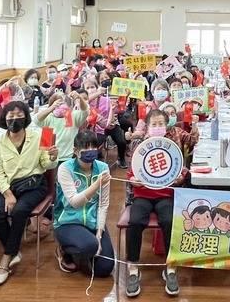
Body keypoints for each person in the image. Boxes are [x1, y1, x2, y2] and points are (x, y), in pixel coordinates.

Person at [0, 101, 58, 285]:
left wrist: (52, 156)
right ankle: (14, 250)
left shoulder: (41, 136)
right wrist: (7, 194)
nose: (14, 119)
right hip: (9, 187)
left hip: (34, 185)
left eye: (18, 115)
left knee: (19, 211)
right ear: (4, 119)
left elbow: (47, 165)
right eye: (10, 116)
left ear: (26, 117)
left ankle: (5, 260)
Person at [126, 108, 185, 298]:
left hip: (164, 194)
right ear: (147, 127)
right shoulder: (140, 147)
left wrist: (179, 178)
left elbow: (180, 170)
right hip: (142, 195)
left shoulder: (170, 146)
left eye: (161, 124)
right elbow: (130, 173)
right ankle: (133, 267)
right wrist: (133, 179)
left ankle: (170, 267)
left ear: (166, 126)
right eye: (154, 124)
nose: (157, 127)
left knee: (169, 221)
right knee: (135, 221)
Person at [53, 129, 114, 276]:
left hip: (93, 222)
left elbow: (103, 204)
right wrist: (96, 185)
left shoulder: (103, 168)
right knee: (89, 246)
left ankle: (88, 246)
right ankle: (65, 249)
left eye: (93, 147)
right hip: (68, 222)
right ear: (75, 150)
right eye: (86, 148)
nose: (91, 151)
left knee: (105, 268)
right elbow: (75, 202)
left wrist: (99, 234)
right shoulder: (65, 168)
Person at [35, 91, 90, 164]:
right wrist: (51, 108)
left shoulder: (71, 116)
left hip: (68, 158)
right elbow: (36, 120)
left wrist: (79, 98)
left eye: (64, 103)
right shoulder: (48, 118)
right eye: (58, 104)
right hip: (49, 159)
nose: (61, 106)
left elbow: (85, 111)